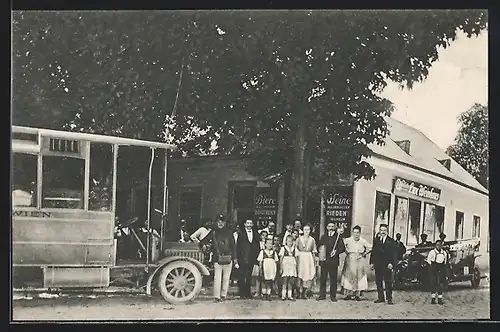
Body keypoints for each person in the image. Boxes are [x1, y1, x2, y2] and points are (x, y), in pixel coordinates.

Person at [204, 216, 238, 302]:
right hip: (217, 259)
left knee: (226, 278)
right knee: (217, 279)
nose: (220, 223)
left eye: (222, 222)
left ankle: (223, 295)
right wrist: (205, 246)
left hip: (228, 258)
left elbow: (233, 247)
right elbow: (203, 241)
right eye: (219, 221)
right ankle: (217, 297)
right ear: (216, 222)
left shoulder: (229, 233)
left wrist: (235, 259)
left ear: (225, 223)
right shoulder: (213, 232)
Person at [370, 224, 398, 305]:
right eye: (381, 230)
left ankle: (389, 298)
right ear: (379, 231)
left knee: (388, 282)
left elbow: (394, 254)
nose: (383, 232)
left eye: (384, 230)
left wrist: (392, 263)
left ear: (387, 231)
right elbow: (373, 252)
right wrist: (372, 263)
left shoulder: (391, 241)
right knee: (378, 281)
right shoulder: (376, 240)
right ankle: (380, 297)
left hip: (387, 265)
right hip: (378, 264)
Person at [317, 223, 346, 302]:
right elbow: (319, 246)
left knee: (333, 279)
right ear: (327, 227)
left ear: (335, 228)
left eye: (332, 226)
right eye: (329, 226)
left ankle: (333, 296)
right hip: (324, 260)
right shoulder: (323, 237)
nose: (331, 228)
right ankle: (322, 295)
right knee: (323, 278)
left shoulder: (338, 237)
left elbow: (342, 248)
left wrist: (336, 251)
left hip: (333, 261)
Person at [341, 225, 370, 300]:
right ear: (352, 233)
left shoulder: (362, 241)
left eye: (358, 232)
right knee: (349, 276)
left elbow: (370, 247)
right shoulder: (348, 240)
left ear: (360, 233)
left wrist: (364, 254)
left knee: (358, 276)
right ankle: (348, 294)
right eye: (355, 232)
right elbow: (341, 245)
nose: (356, 234)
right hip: (350, 259)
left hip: (359, 260)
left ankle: (357, 295)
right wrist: (346, 251)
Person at [235, 219, 260, 299]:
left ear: (252, 224)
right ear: (245, 224)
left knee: (249, 275)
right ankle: (242, 293)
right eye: (247, 223)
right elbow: (238, 247)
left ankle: (248, 293)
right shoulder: (241, 234)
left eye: (250, 223)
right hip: (242, 258)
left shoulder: (255, 234)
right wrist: (238, 258)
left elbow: (257, 247)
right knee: (242, 275)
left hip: (251, 258)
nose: (249, 225)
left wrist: (256, 257)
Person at [295, 224, 318, 299]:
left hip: (308, 258)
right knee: (300, 274)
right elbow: (295, 249)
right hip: (300, 257)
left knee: (306, 274)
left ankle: (304, 293)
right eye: (305, 230)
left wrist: (314, 261)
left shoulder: (312, 239)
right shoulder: (299, 239)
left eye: (308, 230)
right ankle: (299, 292)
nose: (306, 231)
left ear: (310, 231)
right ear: (303, 230)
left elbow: (314, 251)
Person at [427, 239, 449, 305]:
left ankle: (440, 299)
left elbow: (445, 261)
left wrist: (443, 268)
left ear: (442, 246)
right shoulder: (432, 252)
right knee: (433, 283)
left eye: (440, 245)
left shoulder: (444, 253)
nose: (439, 246)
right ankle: (433, 299)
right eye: (437, 245)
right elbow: (428, 260)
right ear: (435, 245)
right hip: (433, 267)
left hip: (441, 267)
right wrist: (432, 266)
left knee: (441, 283)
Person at [257, 236, 279, 300]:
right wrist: (260, 269)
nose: (269, 245)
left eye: (271, 244)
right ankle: (264, 294)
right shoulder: (262, 252)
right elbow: (260, 261)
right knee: (264, 281)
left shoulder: (274, 253)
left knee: (269, 282)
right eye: (268, 243)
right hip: (265, 269)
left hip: (271, 269)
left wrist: (275, 269)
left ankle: (268, 294)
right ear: (265, 244)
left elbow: (276, 261)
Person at [279, 235, 297, 301]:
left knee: (290, 281)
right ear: (286, 241)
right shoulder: (283, 248)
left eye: (291, 241)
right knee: (285, 280)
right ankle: (283, 295)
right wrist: (281, 268)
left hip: (292, 264)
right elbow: (281, 259)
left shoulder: (294, 248)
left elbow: (296, 258)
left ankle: (290, 295)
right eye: (288, 241)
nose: (290, 243)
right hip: (285, 264)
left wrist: (296, 267)